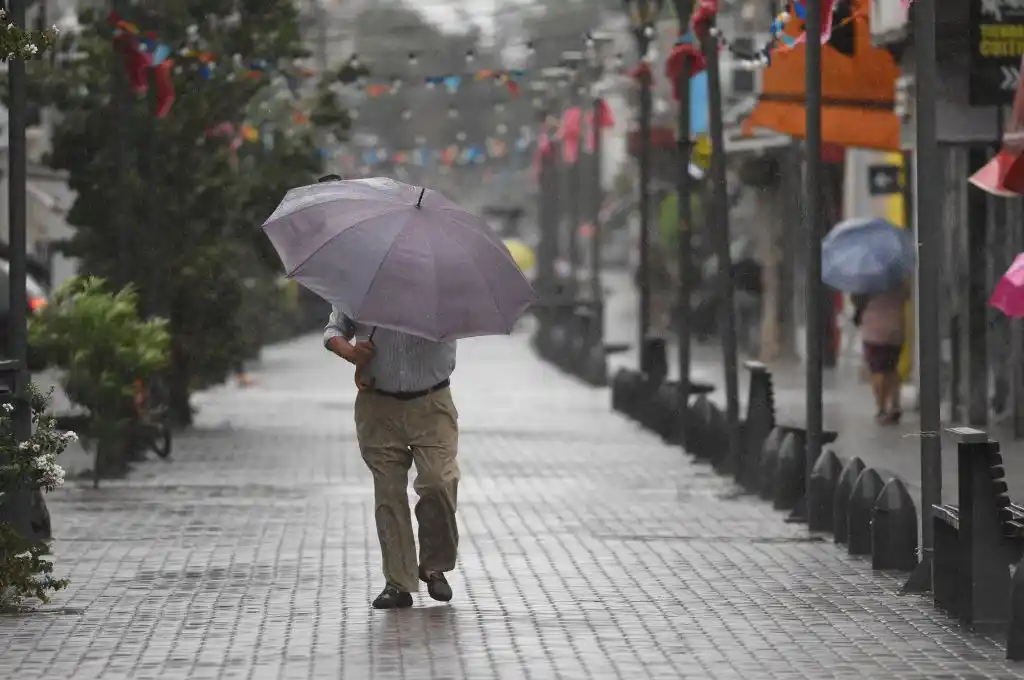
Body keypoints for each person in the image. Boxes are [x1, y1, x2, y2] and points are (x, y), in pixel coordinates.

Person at [323, 308, 459, 610]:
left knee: (440, 481)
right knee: (389, 493)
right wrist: (350, 352)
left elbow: (465, 321)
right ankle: (398, 583)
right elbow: (334, 331)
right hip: (377, 404)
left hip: (432, 403)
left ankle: (433, 566)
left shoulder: (443, 292)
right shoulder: (361, 287)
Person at [854, 282, 908, 425]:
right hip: (895, 329)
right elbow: (906, 297)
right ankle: (895, 404)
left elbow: (857, 302)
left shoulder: (867, 282)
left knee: (877, 370)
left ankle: (882, 408)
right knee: (892, 368)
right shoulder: (899, 281)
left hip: (873, 331)